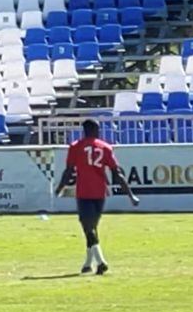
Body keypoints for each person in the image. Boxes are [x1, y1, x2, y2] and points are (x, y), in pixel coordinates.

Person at [54, 118, 140, 275]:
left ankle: (101, 261)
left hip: (84, 192)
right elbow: (117, 173)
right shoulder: (105, 147)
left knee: (88, 227)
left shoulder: (75, 147)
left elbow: (68, 171)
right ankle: (88, 264)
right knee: (90, 227)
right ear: (95, 130)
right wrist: (130, 195)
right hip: (100, 193)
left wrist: (59, 188)